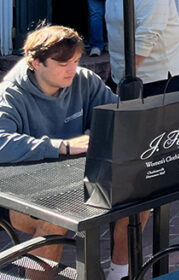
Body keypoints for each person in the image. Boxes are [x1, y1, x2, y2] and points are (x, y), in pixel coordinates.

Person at [0, 26, 133, 280]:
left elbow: (118, 117)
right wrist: (61, 145)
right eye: (63, 63)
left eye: (75, 61)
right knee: (56, 219)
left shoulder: (85, 80)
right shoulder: (11, 94)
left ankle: (119, 274)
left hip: (76, 181)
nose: (72, 69)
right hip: (19, 192)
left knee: (138, 195)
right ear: (36, 63)